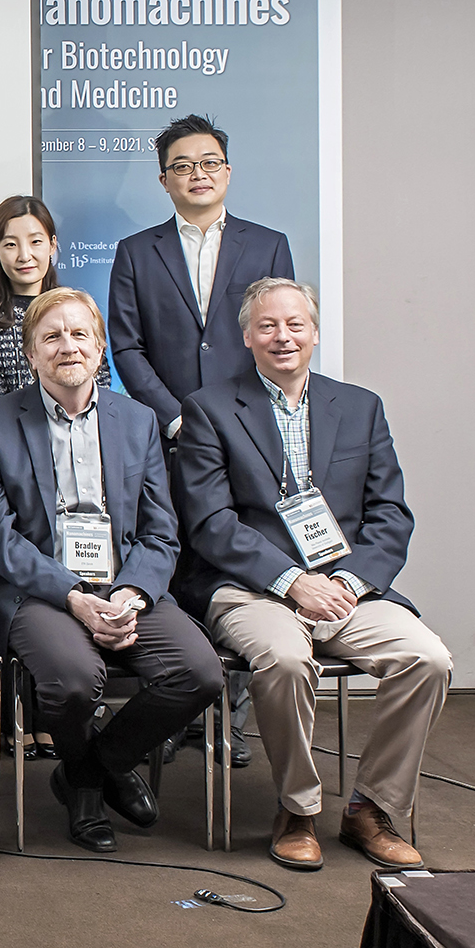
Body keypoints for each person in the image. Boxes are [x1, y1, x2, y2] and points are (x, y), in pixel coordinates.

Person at [176, 278, 450, 872]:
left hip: (347, 589)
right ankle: (297, 810)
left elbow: (390, 515)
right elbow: (210, 523)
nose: (283, 336)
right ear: (247, 337)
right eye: (268, 326)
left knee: (427, 658)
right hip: (252, 588)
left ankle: (371, 809)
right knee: (284, 659)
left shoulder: (360, 407)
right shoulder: (210, 408)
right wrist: (292, 581)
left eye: (295, 324)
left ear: (315, 333)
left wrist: (347, 584)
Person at [0, 288, 222, 852]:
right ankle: (90, 785)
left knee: (199, 672)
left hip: (125, 584)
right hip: (37, 592)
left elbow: (160, 529)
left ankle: (89, 770)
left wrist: (131, 593)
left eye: (80, 334)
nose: (68, 346)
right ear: (30, 352)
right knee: (73, 681)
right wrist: (74, 595)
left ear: (100, 347)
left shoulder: (138, 420)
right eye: (51, 337)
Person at [110, 114, 294, 769]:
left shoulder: (267, 245)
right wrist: (175, 417)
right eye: (183, 165)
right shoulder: (137, 251)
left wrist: (232, 421)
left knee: (243, 565)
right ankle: (175, 708)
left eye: (209, 162)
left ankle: (232, 720)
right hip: (169, 439)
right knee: (174, 565)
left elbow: (274, 337)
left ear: (228, 171)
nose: (198, 174)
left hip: (248, 437)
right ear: (164, 179)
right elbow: (126, 347)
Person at [0, 195, 110, 412]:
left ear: (52, 245)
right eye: (11, 245)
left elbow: (99, 376)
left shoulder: (76, 309)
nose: (24, 255)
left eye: (36, 242)